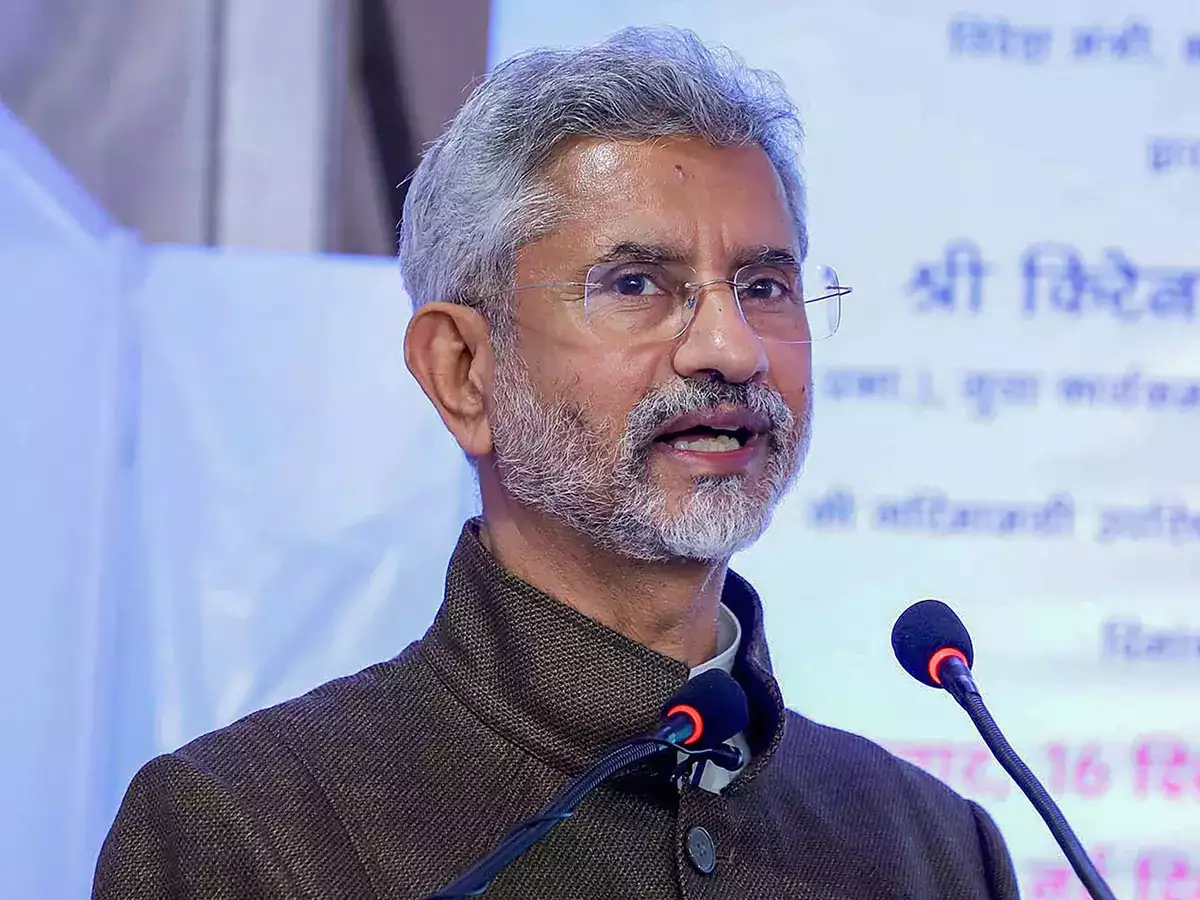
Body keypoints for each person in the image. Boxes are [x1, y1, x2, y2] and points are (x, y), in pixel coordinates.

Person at [93, 25, 1018, 900]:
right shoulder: (251, 830)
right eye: (636, 283)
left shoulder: (936, 849)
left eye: (766, 285)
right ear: (463, 371)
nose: (732, 349)